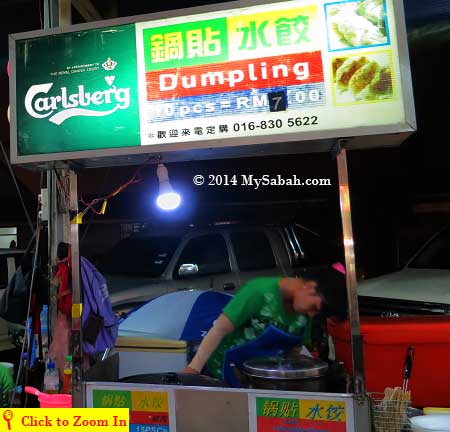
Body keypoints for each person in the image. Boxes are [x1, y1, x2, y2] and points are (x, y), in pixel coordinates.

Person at [182, 266, 347, 381]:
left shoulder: (304, 313)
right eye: (314, 307)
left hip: (265, 381)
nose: (312, 314)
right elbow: (218, 330)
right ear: (310, 287)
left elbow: (294, 350)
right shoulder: (259, 291)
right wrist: (194, 368)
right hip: (224, 374)